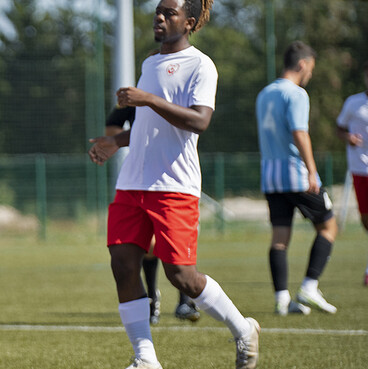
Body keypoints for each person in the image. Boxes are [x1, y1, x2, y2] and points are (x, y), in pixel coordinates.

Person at [88, 1, 260, 368]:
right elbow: (150, 128)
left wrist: (148, 98)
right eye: (158, 12)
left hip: (174, 186)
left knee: (181, 276)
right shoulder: (150, 62)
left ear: (191, 22)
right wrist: (114, 142)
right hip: (133, 181)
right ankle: (146, 359)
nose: (160, 18)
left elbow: (199, 121)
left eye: (170, 13)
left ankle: (242, 329)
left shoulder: (202, 65)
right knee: (122, 263)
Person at [256, 41, 338, 315]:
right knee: (329, 227)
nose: (311, 75)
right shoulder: (297, 94)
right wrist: (312, 170)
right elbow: (299, 132)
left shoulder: (264, 94)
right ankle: (309, 286)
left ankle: (281, 300)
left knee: (280, 237)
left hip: (271, 177)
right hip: (296, 175)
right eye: (311, 69)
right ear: (302, 64)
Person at [105, 106, 201, 325]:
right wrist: (126, 140)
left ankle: (184, 301)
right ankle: (152, 298)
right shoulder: (138, 99)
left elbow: (198, 122)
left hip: (177, 180)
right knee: (148, 245)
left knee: (179, 250)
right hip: (142, 181)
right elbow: (112, 128)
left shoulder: (177, 97)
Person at [335, 61, 368, 287]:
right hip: (360, 169)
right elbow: (339, 127)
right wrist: (348, 138)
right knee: (366, 220)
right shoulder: (353, 102)